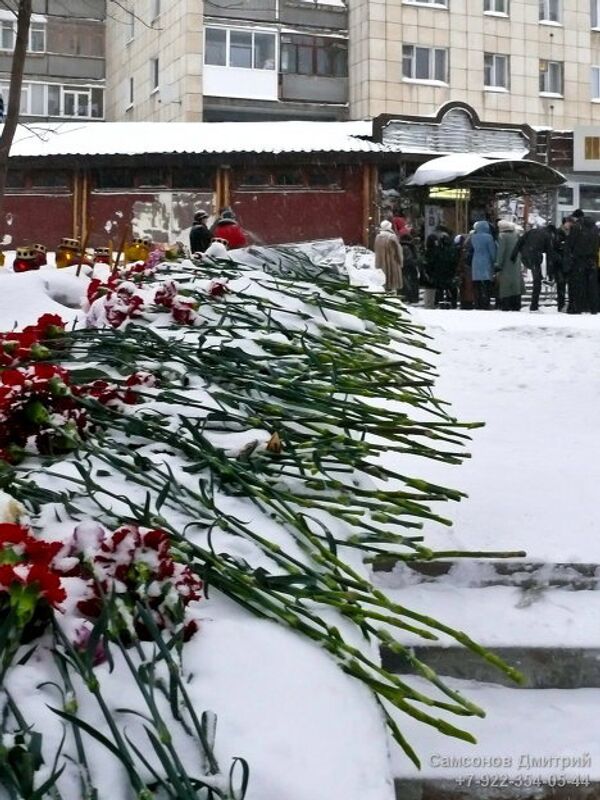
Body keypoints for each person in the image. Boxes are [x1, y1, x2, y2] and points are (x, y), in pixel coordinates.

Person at [566, 210, 599, 314]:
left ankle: (578, 308)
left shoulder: (576, 227)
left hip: (579, 260)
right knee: (592, 286)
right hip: (593, 259)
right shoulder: (595, 227)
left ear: (576, 217)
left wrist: (570, 255)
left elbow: (570, 244)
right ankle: (593, 308)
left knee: (579, 285)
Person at [512, 221, 550, 312]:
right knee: (537, 281)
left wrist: (513, 256)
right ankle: (534, 305)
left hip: (526, 256)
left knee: (537, 277)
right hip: (535, 257)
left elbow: (519, 242)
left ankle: (534, 303)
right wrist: (550, 271)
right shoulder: (547, 236)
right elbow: (550, 253)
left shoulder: (531, 232)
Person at [494, 220, 523, 311]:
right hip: (515, 263)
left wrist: (498, 264)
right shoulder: (516, 234)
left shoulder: (502, 236)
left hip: (506, 264)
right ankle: (516, 304)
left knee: (505, 286)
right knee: (515, 285)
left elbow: (501, 252)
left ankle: (506, 305)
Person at [468, 220, 496, 309]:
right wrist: (494, 260)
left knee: (477, 284)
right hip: (486, 261)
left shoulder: (473, 237)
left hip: (475, 261)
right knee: (486, 284)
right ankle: (486, 302)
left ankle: (477, 302)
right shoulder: (489, 237)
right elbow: (492, 251)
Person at [374, 219, 403, 293]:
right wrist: (400, 261)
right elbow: (398, 251)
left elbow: (376, 250)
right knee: (393, 282)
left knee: (384, 280)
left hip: (381, 263)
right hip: (393, 262)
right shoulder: (392, 237)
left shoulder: (378, 237)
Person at [399, 232, 419, 304]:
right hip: (411, 265)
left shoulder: (399, 246)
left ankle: (404, 296)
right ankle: (413, 298)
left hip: (402, 265)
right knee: (413, 281)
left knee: (404, 281)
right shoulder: (411, 246)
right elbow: (416, 256)